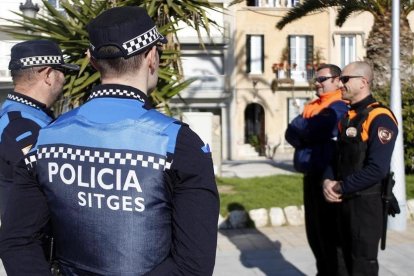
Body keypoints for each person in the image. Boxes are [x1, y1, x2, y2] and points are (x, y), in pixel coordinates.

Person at [0, 6, 219, 276]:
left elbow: (18, 241)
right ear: (152, 57)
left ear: (92, 61)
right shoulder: (178, 143)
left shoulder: (46, 138)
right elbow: (193, 266)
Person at [323, 61, 398, 276]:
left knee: (361, 266)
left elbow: (377, 169)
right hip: (342, 202)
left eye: (345, 79)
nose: (340, 84)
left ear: (363, 82)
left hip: (365, 206)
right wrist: (328, 180)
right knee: (340, 263)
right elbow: (335, 156)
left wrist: (340, 187)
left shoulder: (380, 117)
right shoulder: (347, 117)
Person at [0, 39, 79, 217]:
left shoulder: (16, 117)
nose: (64, 80)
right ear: (49, 75)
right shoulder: (21, 124)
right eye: (63, 72)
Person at [285, 64, 348, 276]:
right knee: (315, 234)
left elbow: (320, 128)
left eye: (323, 79)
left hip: (327, 176)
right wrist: (307, 131)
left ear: (338, 81)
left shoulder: (339, 105)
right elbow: (290, 132)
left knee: (330, 235)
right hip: (310, 174)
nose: (317, 83)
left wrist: (304, 131)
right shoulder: (313, 105)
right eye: (316, 79)